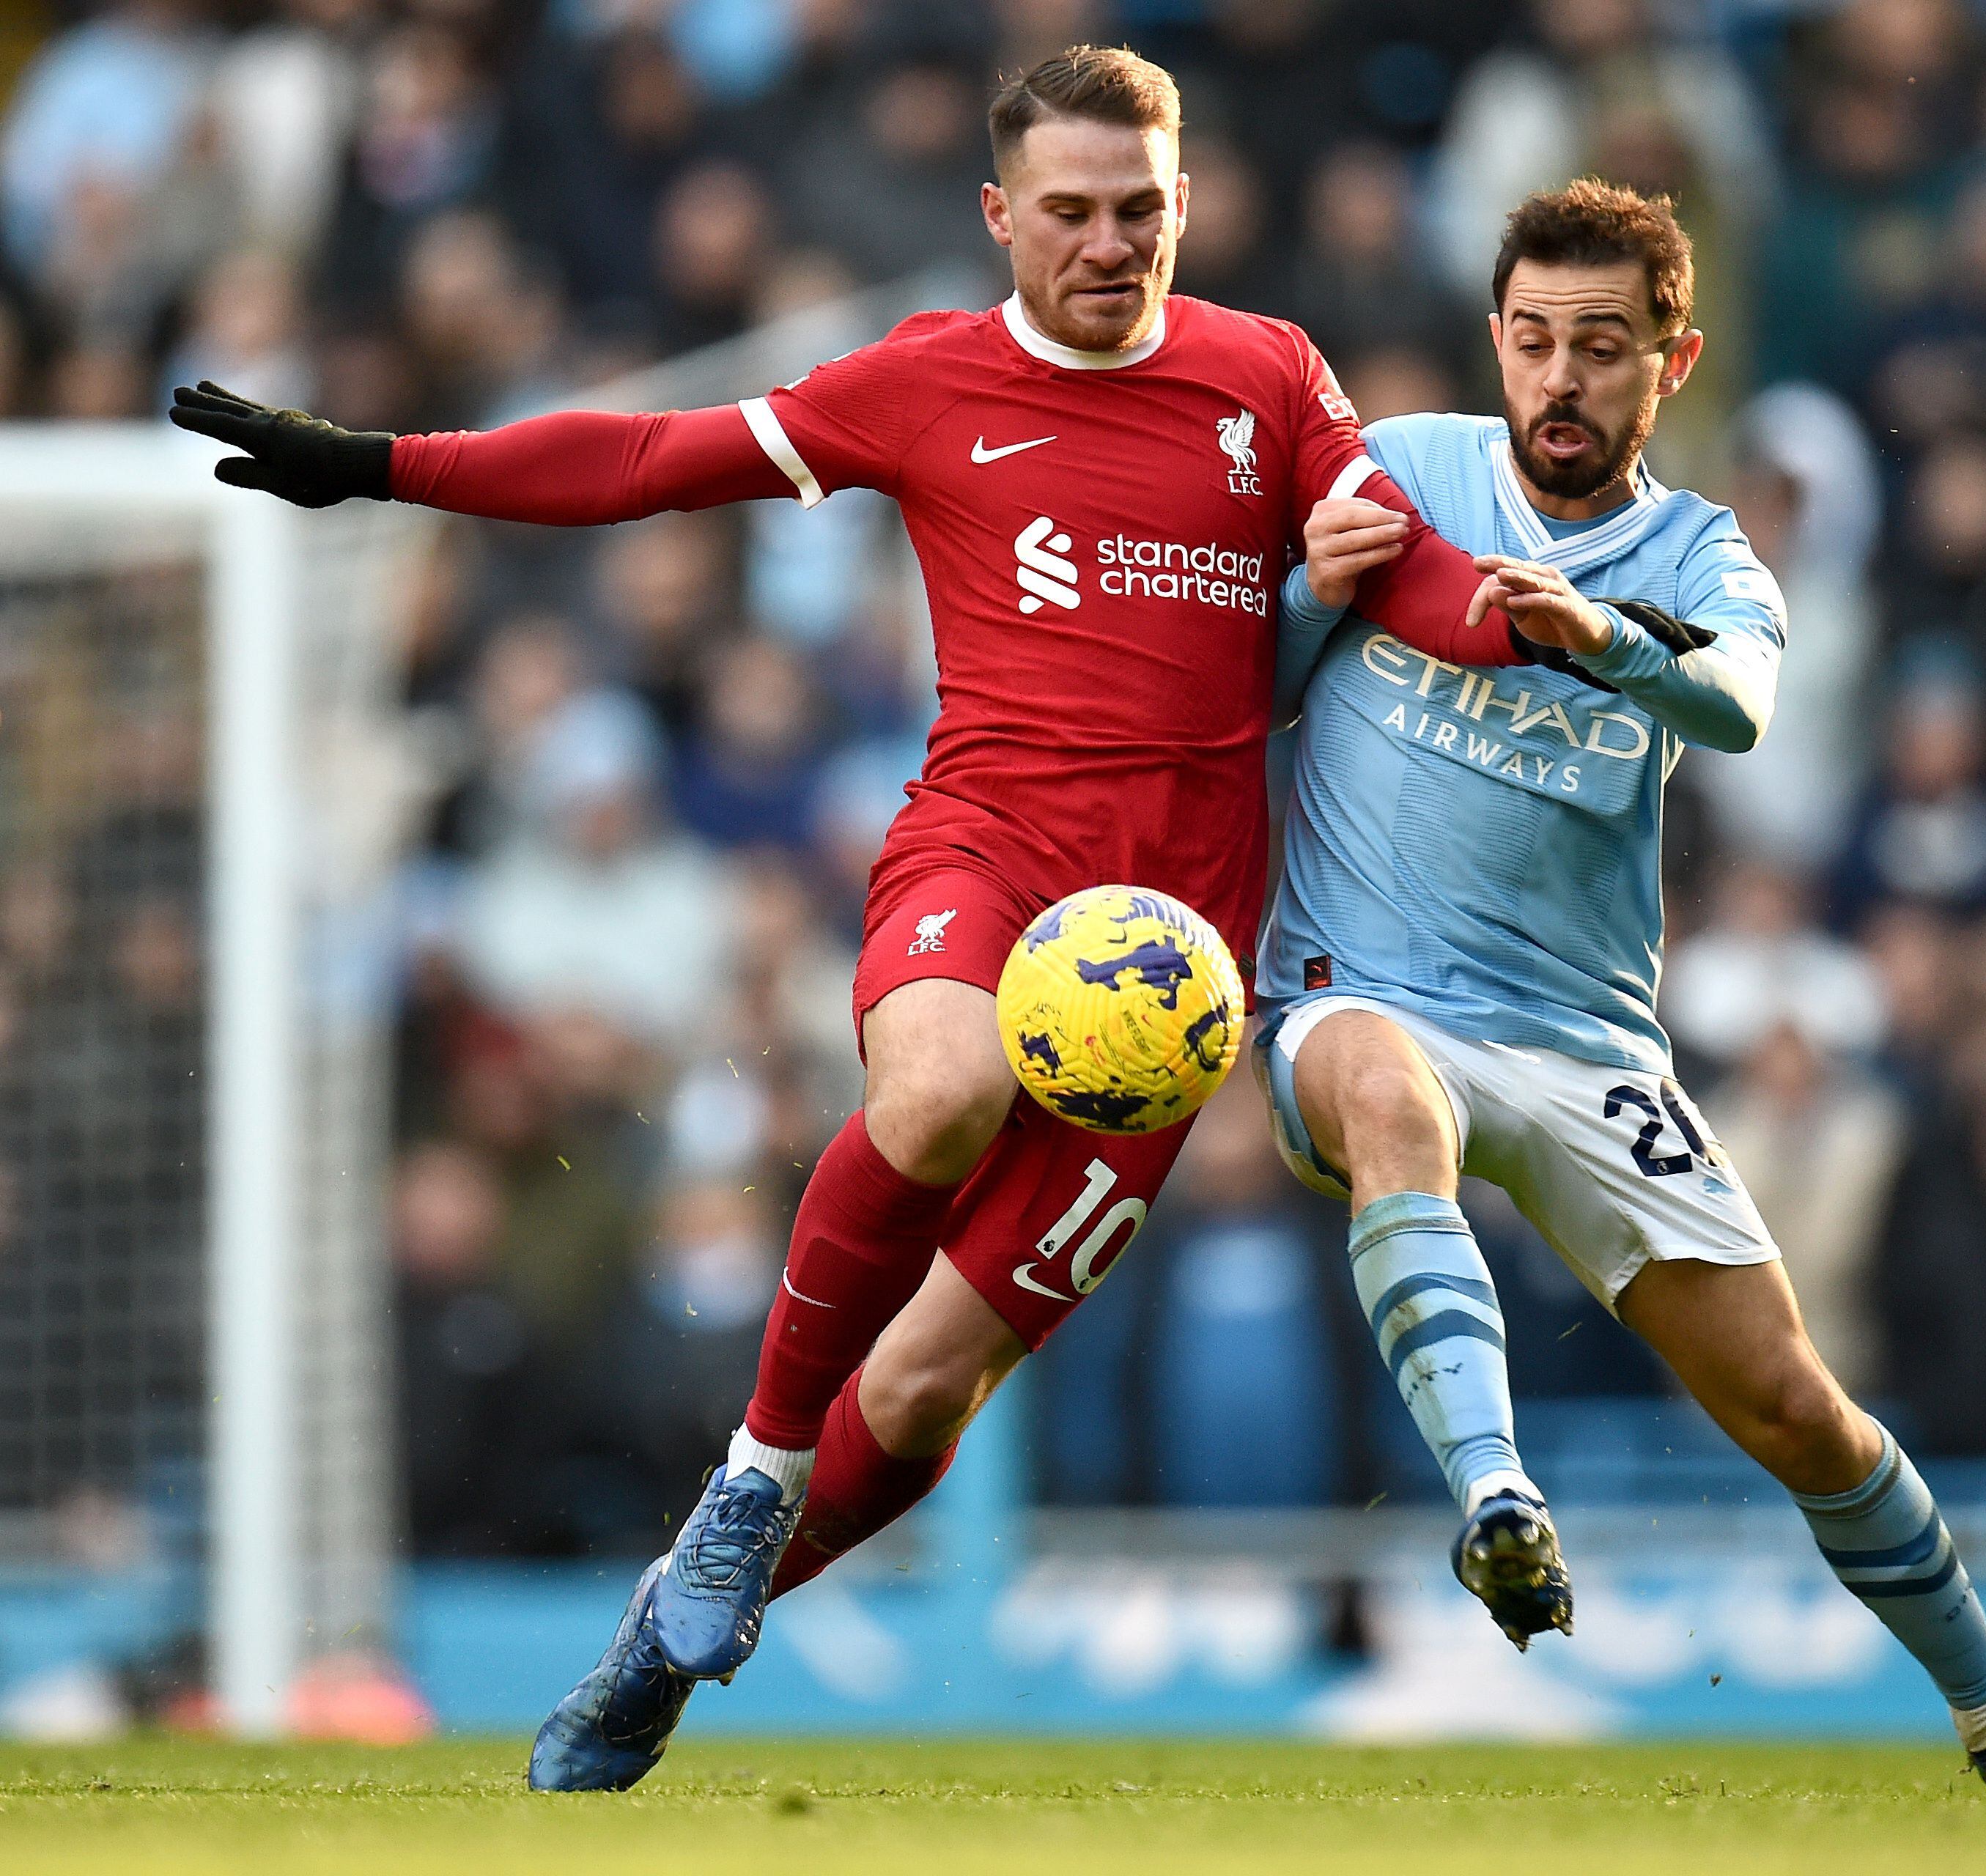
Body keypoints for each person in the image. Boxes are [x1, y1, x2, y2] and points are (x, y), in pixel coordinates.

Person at [173, 45, 1523, 1791]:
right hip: (983, 852)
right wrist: (383, 466)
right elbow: (652, 455)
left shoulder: (1268, 372)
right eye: (1070, 215)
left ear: (1184, 202)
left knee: (925, 1394)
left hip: (1178, 970)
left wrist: (1537, 622)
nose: (1109, 246)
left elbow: (1394, 555)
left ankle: (664, 1636)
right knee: (940, 1089)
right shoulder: (928, 381)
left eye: (1140, 211)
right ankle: (747, 1472)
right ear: (998, 217)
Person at [1258, 179, 1986, 1798]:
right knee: (1386, 1096)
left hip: (1586, 1035)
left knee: (1797, 1405)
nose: (1561, 379)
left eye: (1603, 346)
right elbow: (1233, 691)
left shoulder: (1704, 550)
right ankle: (1498, 1497)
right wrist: (1312, 587)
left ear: (1676, 360)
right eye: (1533, 341)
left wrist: (1601, 632)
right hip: (1357, 982)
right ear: (1498, 343)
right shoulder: (1401, 468)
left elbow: (1735, 703)